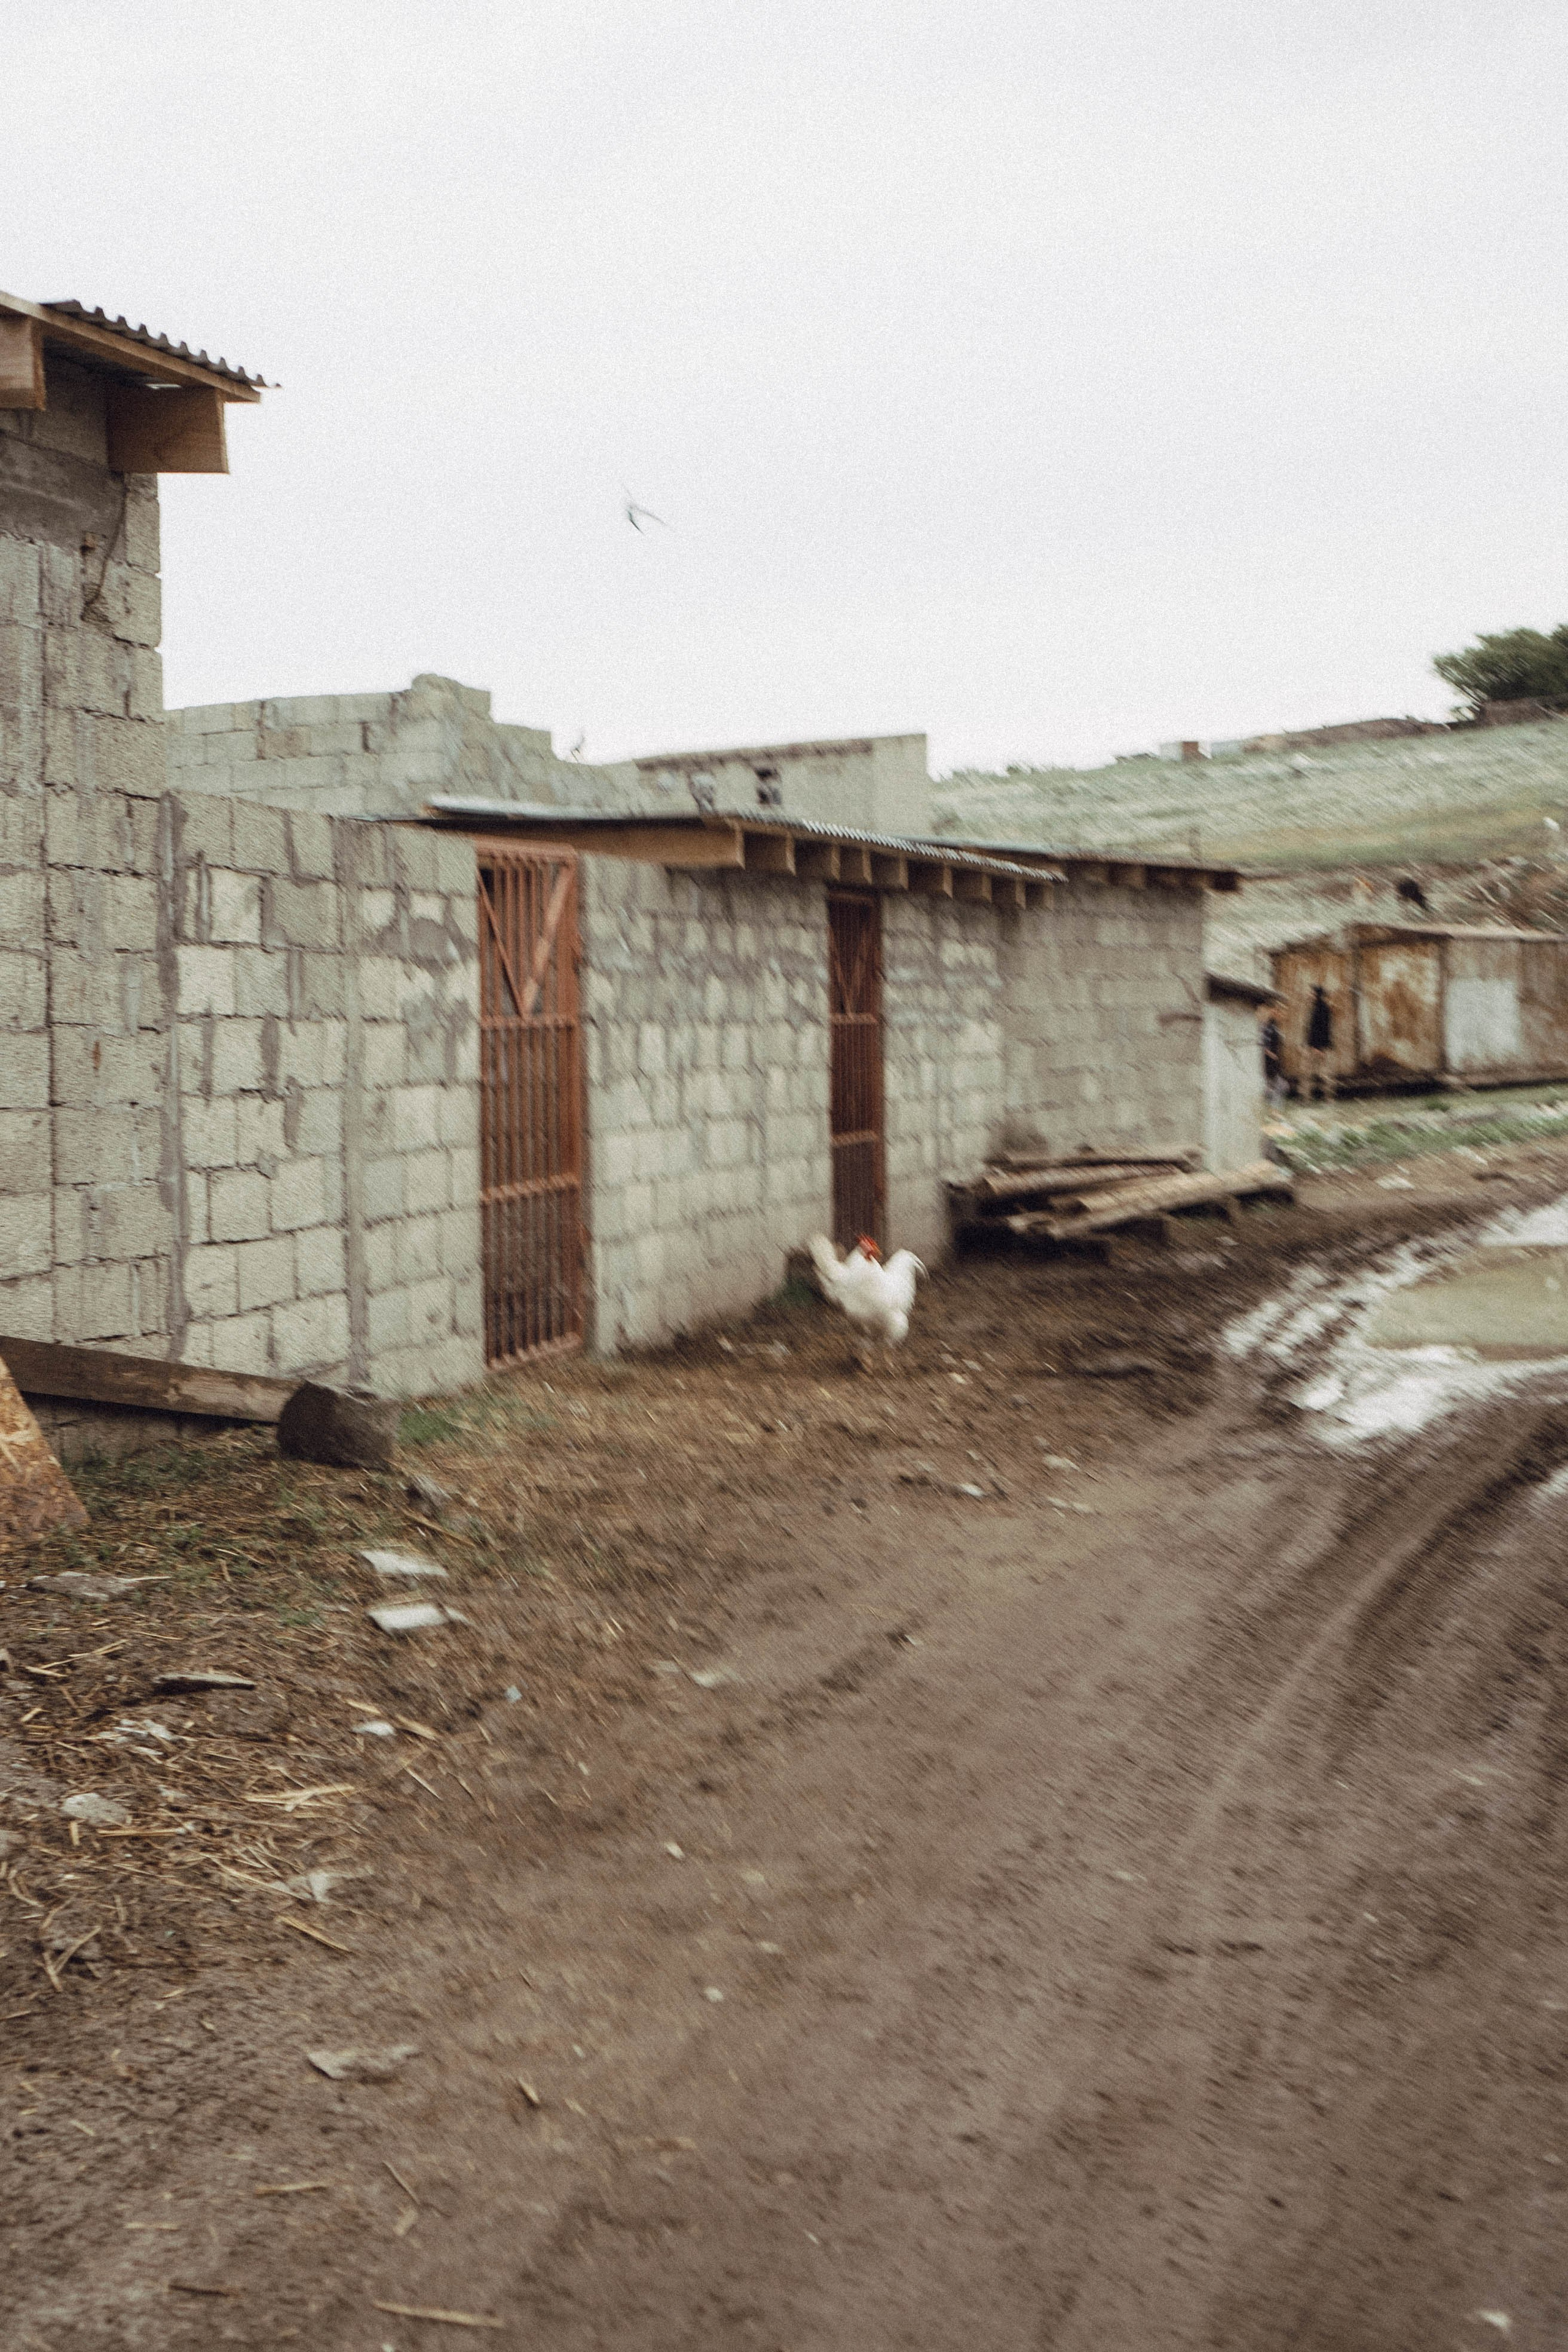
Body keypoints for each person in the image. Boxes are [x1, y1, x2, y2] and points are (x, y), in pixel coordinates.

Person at [1305, 983, 1336, 1101]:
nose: (1309, 995)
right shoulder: (1315, 1008)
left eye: (1311, 993)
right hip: (1314, 1046)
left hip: (1319, 1047)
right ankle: (1307, 1097)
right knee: (1310, 1073)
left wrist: (1319, 1048)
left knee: (1323, 1073)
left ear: (1316, 995)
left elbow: (1324, 1029)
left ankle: (1328, 1097)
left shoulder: (1323, 1009)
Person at [1260, 1012, 1287, 1106]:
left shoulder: (1276, 1029)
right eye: (1280, 1016)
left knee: (1274, 1081)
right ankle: (1270, 1102)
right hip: (1270, 1059)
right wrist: (1273, 1056)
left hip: (1275, 1059)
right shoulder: (1269, 1029)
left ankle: (1271, 1102)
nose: (1282, 1018)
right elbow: (1265, 1047)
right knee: (1272, 1081)